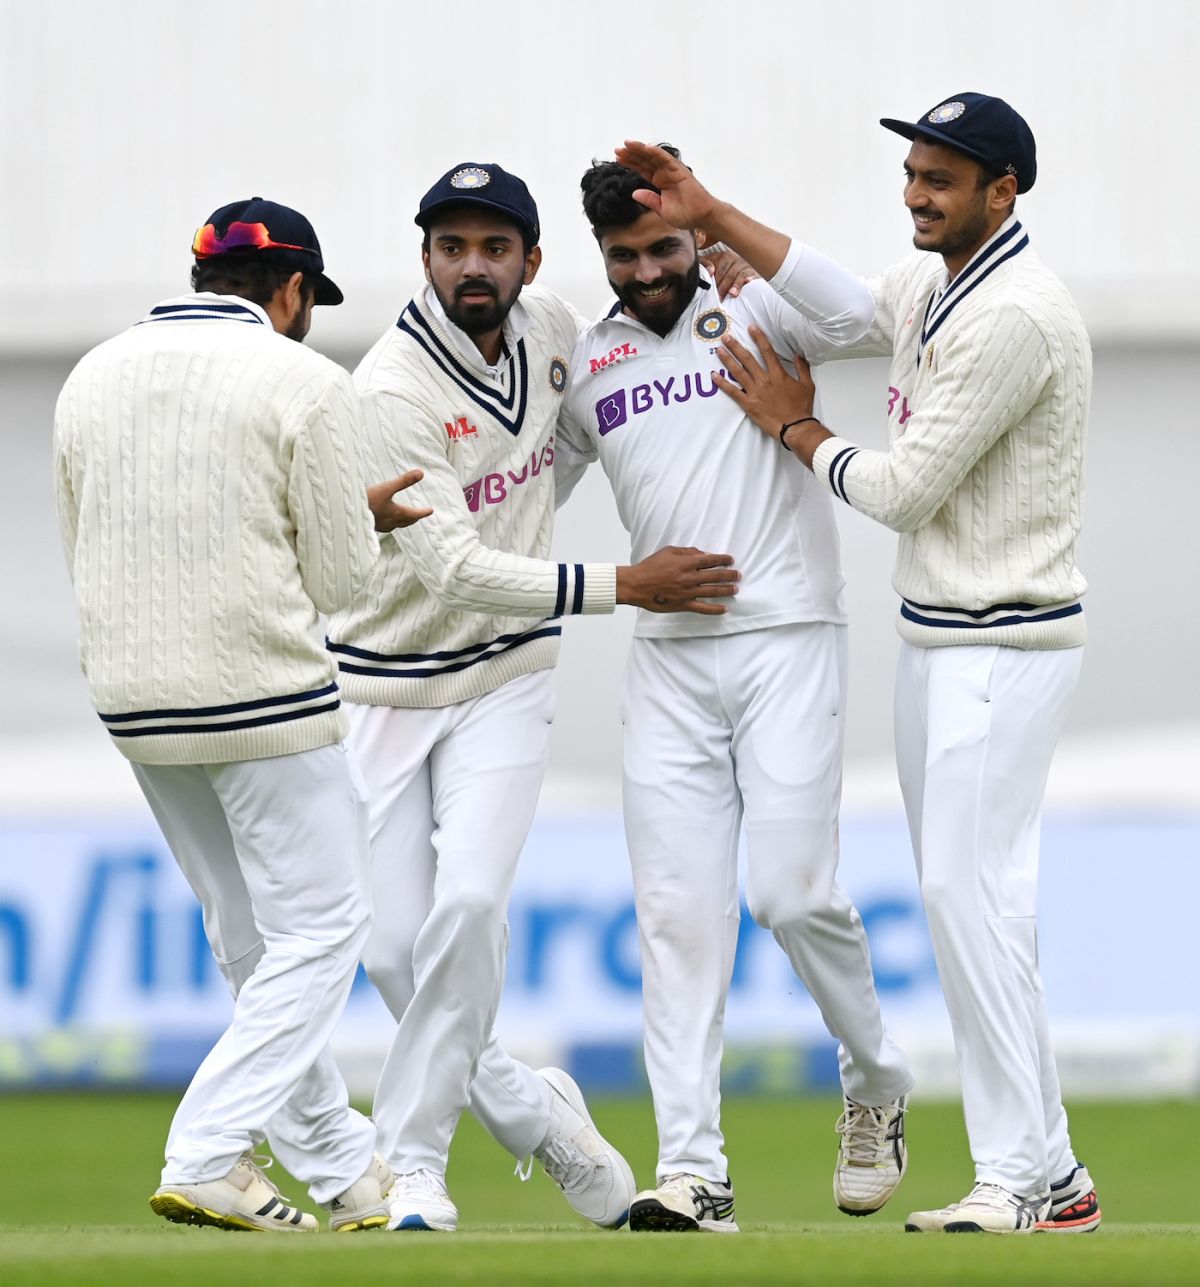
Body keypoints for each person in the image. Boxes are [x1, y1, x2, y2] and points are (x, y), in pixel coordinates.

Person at [617, 91, 1101, 1236]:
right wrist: (716, 214)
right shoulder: (939, 283)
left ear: (1004, 191)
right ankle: (1061, 1179)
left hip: (1007, 638)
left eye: (941, 179)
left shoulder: (1012, 316)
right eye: (914, 174)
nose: (917, 194)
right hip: (943, 640)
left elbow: (898, 491)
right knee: (988, 910)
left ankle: (1017, 1179)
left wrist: (796, 426)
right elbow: (846, 302)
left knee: (964, 895)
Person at [326, 162, 742, 1233]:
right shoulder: (390, 391)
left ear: (531, 262)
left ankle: (411, 1164)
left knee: (468, 909)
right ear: (424, 257)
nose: (474, 266)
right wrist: (624, 585)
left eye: (494, 248)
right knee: (389, 953)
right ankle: (532, 1110)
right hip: (385, 684)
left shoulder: (554, 329)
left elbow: (557, 448)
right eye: (452, 247)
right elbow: (455, 570)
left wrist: (728, 281)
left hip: (505, 681)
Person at [552, 148, 914, 1234]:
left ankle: (876, 1080)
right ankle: (694, 1173)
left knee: (791, 895)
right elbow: (527, 498)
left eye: (666, 246)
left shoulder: (758, 301)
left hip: (788, 639)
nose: (649, 270)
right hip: (665, 656)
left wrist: (721, 217)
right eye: (626, 256)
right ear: (604, 259)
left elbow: (867, 318)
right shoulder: (591, 360)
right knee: (674, 920)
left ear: (691, 236)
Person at [53, 198, 428, 1234]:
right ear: (293, 291)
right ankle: (210, 1150)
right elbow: (346, 585)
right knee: (323, 928)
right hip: (262, 695)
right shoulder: (305, 378)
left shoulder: (92, 372)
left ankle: (341, 1168)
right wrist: (366, 520)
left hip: (133, 700)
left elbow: (78, 532)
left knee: (250, 936)